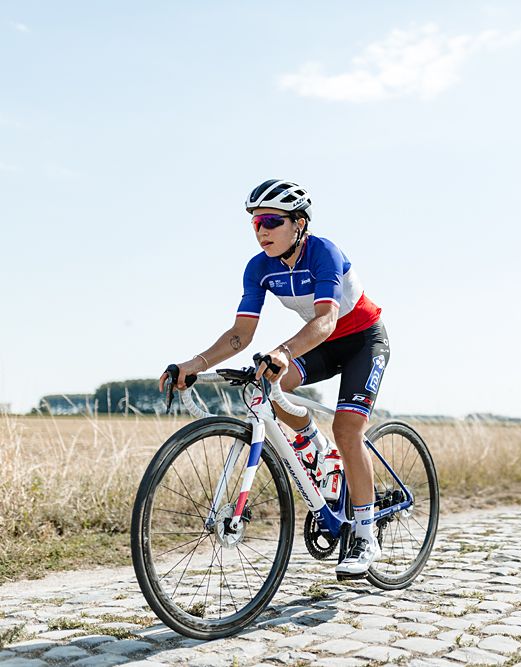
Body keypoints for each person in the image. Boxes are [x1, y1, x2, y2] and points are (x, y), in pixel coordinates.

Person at [158, 179, 389, 576]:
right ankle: (315, 448)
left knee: (348, 429)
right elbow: (240, 335)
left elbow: (327, 319)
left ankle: (366, 536)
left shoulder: (324, 253)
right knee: (267, 386)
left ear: (299, 223)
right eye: (255, 223)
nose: (261, 230)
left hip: (362, 341)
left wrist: (283, 351)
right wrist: (195, 364)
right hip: (319, 342)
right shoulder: (259, 267)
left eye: (270, 220)